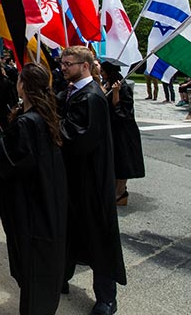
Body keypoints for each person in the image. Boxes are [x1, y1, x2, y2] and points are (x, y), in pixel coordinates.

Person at [0, 64, 67, 315]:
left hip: (30, 208)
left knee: (32, 269)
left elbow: (5, 162)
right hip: (46, 202)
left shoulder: (27, 123)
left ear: (24, 86)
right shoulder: (45, 116)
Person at [57, 46, 126, 315]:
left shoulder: (92, 98)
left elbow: (78, 138)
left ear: (85, 66)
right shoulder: (74, 93)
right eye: (62, 63)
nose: (63, 67)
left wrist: (51, 128)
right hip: (73, 180)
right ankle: (61, 278)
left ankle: (107, 298)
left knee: (99, 238)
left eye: (68, 64)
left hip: (92, 183)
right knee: (69, 232)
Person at [100, 61, 146, 207]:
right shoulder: (108, 83)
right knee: (115, 161)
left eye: (103, 71)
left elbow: (121, 111)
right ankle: (115, 190)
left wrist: (115, 93)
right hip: (113, 129)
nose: (101, 73)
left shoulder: (122, 87)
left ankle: (120, 193)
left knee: (123, 162)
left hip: (124, 131)